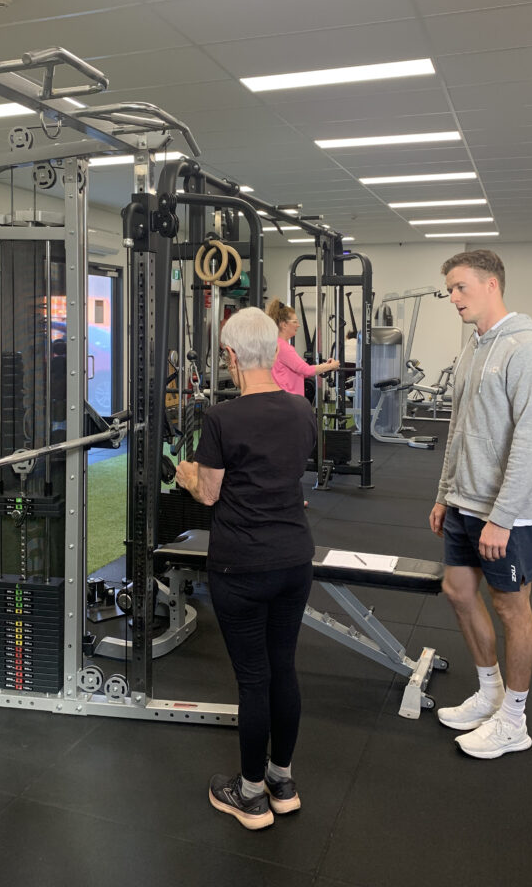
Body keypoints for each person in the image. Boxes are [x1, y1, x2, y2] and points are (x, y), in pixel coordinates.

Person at [175, 307, 316, 829]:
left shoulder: (221, 418)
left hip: (242, 568)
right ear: (275, 351)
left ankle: (251, 795)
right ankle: (282, 780)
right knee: (284, 668)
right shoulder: (302, 412)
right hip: (295, 561)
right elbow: (282, 475)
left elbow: (209, 493)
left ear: (231, 357)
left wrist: (187, 471)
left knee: (254, 681)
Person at [429, 250, 532, 759]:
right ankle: (490, 693)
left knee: (512, 608)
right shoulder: (473, 349)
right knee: (458, 591)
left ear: (491, 285)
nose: (453, 299)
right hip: (464, 502)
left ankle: (514, 719)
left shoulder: (528, 348)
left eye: (460, 288)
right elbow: (457, 430)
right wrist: (445, 493)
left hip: (508, 512)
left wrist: (500, 518)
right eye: (449, 290)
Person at [266, 298, 339, 395]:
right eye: (295, 322)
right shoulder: (283, 347)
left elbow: (302, 371)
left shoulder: (276, 344)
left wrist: (324, 366)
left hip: (284, 399)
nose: (298, 325)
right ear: (284, 325)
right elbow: (307, 370)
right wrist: (331, 366)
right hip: (288, 401)